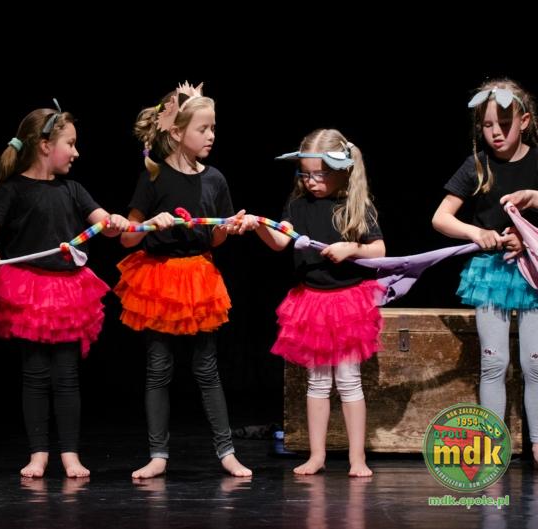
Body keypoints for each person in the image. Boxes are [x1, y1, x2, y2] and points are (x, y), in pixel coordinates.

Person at [0, 102, 130, 478]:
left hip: (67, 292)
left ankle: (70, 454)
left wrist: (116, 222)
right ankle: (38, 453)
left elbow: (105, 223)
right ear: (45, 145)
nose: (76, 152)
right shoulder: (13, 190)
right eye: (70, 144)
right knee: (35, 373)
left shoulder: (73, 189)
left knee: (66, 375)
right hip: (30, 291)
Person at [116, 82, 252, 479]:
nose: (211, 136)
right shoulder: (154, 177)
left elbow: (215, 238)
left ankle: (226, 451)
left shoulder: (215, 179)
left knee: (206, 368)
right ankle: (158, 454)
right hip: (160, 278)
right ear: (177, 132)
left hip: (199, 277)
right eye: (203, 129)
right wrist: (149, 224)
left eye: (213, 128)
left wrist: (227, 227)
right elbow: (126, 237)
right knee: (159, 368)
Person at [255, 129, 385, 477]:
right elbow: (279, 242)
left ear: (341, 170)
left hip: (347, 304)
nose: (311, 181)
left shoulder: (355, 207)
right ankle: (316, 455)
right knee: (317, 383)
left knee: (349, 380)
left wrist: (351, 248)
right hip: (311, 302)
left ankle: (357, 458)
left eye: (319, 174)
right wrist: (258, 225)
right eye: (305, 174)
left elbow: (379, 250)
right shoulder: (297, 206)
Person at [432, 78, 538, 465]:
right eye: (488, 125)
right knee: (494, 362)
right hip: (491, 273)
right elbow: (441, 217)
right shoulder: (477, 164)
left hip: (533, 273)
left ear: (524, 121)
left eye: (504, 125)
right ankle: (493, 444)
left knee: (535, 363)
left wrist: (534, 202)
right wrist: (477, 233)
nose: (495, 133)